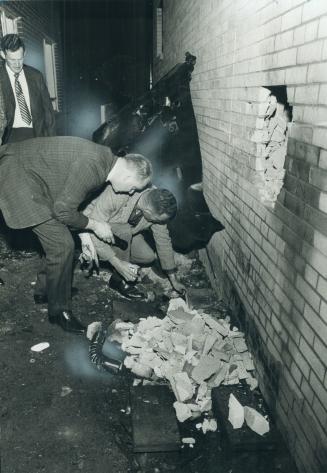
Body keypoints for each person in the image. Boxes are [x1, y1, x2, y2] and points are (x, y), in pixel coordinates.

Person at [0, 136, 152, 333]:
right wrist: (95, 226)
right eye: (134, 188)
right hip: (16, 178)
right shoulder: (94, 169)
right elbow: (63, 210)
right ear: (128, 177)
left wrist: (84, 233)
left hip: (30, 177)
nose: (131, 193)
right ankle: (59, 313)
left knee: (59, 240)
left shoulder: (105, 159)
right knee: (62, 245)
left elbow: (70, 202)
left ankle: (47, 290)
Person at [79, 186, 186, 299]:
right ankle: (118, 280)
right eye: (158, 220)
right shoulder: (119, 194)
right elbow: (93, 228)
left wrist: (173, 279)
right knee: (124, 231)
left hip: (124, 236)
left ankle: (113, 260)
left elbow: (163, 240)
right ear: (148, 212)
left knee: (147, 257)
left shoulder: (156, 205)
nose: (159, 223)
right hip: (93, 230)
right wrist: (116, 263)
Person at [0, 34, 56, 143]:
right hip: (9, 137)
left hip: (35, 134)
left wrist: (52, 141)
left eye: (20, 58)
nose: (17, 64)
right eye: (12, 59)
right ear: (2, 54)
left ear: (24, 53)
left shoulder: (36, 76)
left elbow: (48, 112)